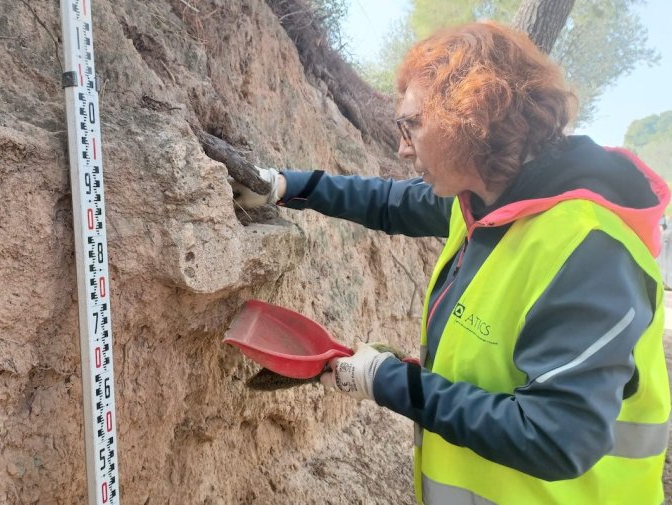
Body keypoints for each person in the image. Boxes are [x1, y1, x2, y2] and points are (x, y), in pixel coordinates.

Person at [231, 21, 670, 505]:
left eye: (412, 124)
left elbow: (554, 438)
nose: (401, 146)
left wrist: (390, 382)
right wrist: (284, 187)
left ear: (473, 117)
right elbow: (390, 202)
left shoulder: (589, 251)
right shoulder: (487, 199)